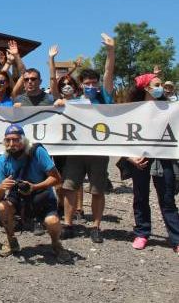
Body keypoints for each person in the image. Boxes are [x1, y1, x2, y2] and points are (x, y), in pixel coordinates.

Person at [59, 34, 115, 243]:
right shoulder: (74, 101)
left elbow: (109, 72)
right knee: (69, 187)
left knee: (97, 189)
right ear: (81, 85)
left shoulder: (105, 98)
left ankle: (96, 226)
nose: (91, 85)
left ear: (98, 84)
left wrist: (111, 51)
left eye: (94, 82)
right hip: (76, 151)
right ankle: (68, 223)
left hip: (98, 152)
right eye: (87, 83)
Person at [0, 124, 71, 262]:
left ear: (23, 139)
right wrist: (2, 187)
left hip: (41, 193)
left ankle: (56, 243)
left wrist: (34, 187)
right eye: (8, 140)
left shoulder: (37, 152)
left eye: (16, 139)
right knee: (2, 207)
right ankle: (11, 240)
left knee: (52, 222)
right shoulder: (2, 159)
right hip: (18, 196)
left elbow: (56, 178)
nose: (12, 144)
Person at [124, 73, 179, 254]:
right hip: (139, 160)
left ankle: (176, 238)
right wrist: (131, 158)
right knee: (140, 197)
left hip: (164, 160)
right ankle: (142, 233)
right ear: (146, 87)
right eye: (157, 84)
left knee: (167, 199)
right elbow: (124, 136)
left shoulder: (170, 108)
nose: (160, 87)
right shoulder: (132, 110)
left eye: (161, 84)